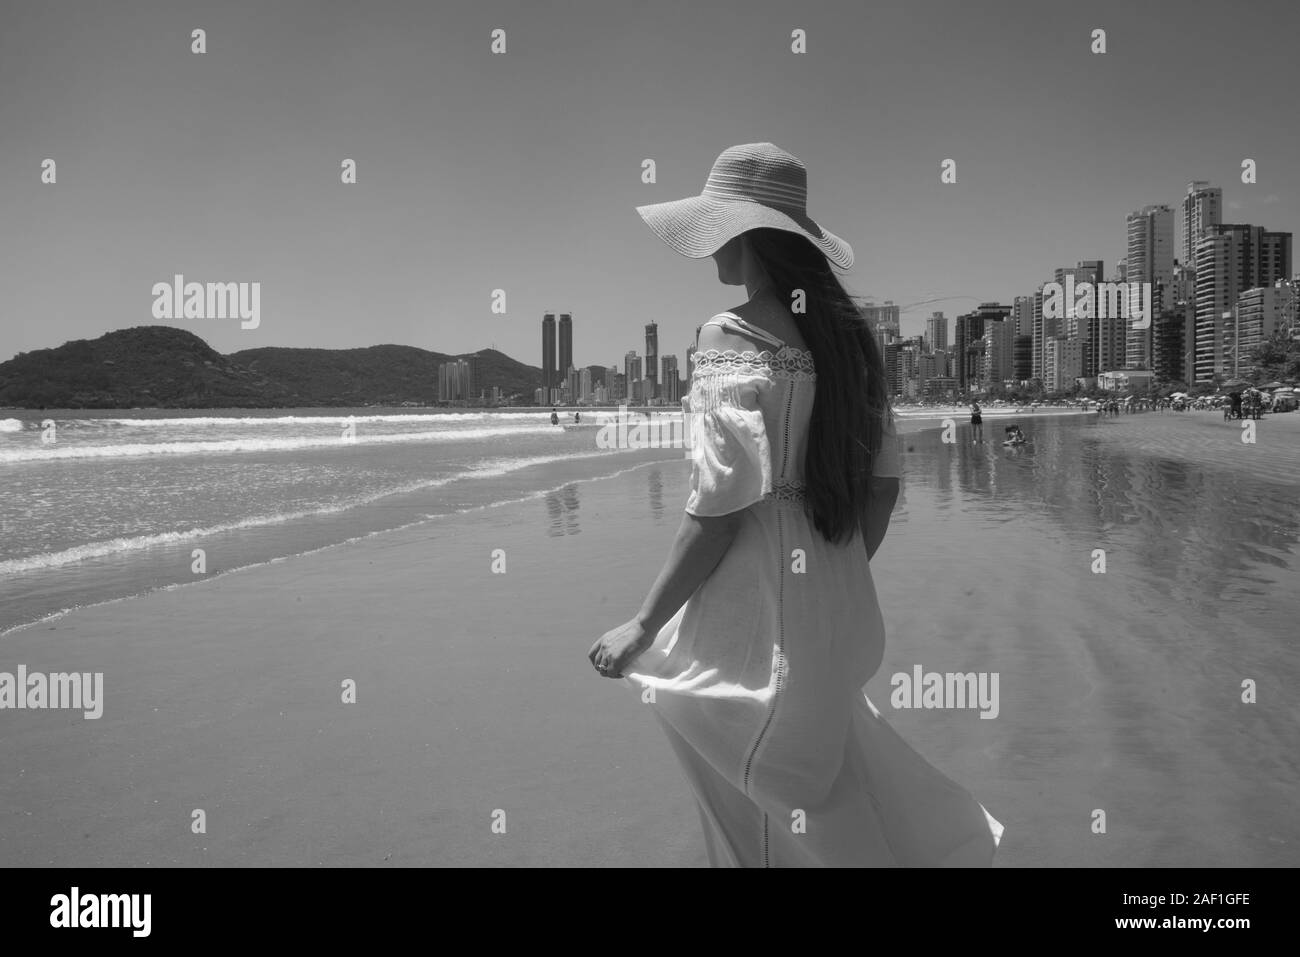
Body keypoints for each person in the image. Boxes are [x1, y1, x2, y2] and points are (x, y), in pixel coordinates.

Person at [588, 142, 1002, 867]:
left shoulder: (730, 333)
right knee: (819, 777)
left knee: (764, 793)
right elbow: (881, 485)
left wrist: (643, 622)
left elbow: (717, 506)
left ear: (742, 233)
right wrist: (830, 575)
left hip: (753, 615)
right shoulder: (849, 344)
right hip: (836, 605)